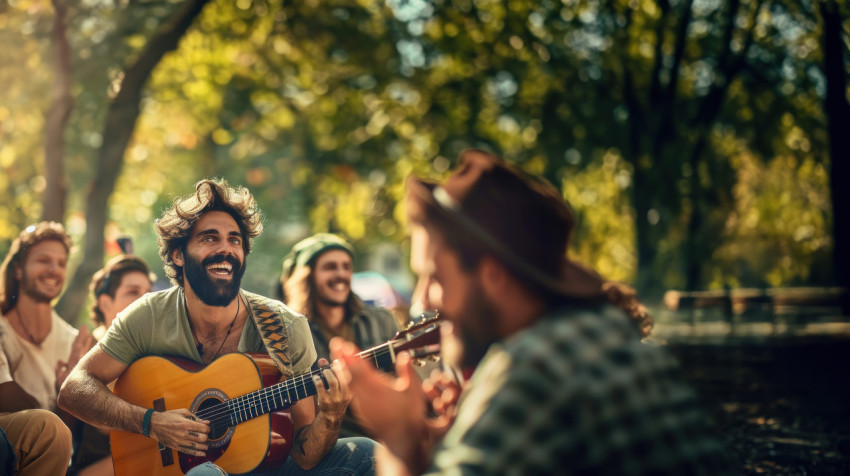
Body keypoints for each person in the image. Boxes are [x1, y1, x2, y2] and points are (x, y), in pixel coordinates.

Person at [331, 149, 731, 474]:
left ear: (493, 276)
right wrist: (458, 436)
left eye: (434, 277)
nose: (423, 300)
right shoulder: (602, 331)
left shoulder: (532, 366)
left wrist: (400, 439)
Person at [58, 178, 375, 475]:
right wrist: (150, 422)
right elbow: (75, 388)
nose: (226, 249)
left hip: (267, 466)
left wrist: (331, 417)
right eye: (210, 238)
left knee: (366, 453)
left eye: (234, 240)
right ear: (178, 254)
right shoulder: (148, 315)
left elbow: (305, 455)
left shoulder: (285, 326)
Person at [280, 233, 399, 438]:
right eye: (330, 267)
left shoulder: (382, 320)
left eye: (346, 266)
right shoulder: (288, 334)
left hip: (389, 432)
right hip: (335, 444)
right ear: (306, 276)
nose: (341, 274)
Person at [68, 254, 155, 476]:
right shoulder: (88, 349)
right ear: (105, 303)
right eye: (133, 292)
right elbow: (107, 425)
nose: (145, 300)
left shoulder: (154, 350)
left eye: (148, 292)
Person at [0, 221, 93, 416]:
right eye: (43, 260)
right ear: (18, 269)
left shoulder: (72, 341)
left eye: (61, 263)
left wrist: (67, 392)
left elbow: (68, 437)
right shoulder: (2, 329)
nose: (54, 270)